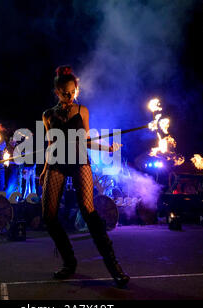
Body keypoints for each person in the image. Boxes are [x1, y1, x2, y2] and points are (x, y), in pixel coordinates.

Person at [39, 65, 129, 287]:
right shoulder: (47, 115)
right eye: (64, 93)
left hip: (79, 161)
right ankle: (69, 262)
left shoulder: (82, 111)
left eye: (72, 93)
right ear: (57, 92)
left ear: (76, 90)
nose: (69, 96)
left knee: (89, 212)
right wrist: (44, 169)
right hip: (57, 163)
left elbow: (87, 140)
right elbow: (51, 144)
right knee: (48, 215)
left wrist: (107, 148)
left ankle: (114, 268)